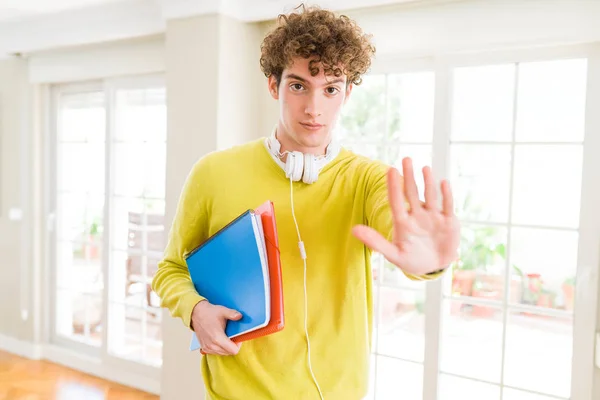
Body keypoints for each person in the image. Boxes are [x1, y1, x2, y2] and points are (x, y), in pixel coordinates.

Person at [151, 4, 460, 400]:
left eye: (330, 88)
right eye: (298, 85)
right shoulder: (213, 173)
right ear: (273, 85)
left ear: (347, 93)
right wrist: (195, 311)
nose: (314, 108)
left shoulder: (369, 181)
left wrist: (430, 262)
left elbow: (397, 226)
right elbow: (170, 270)